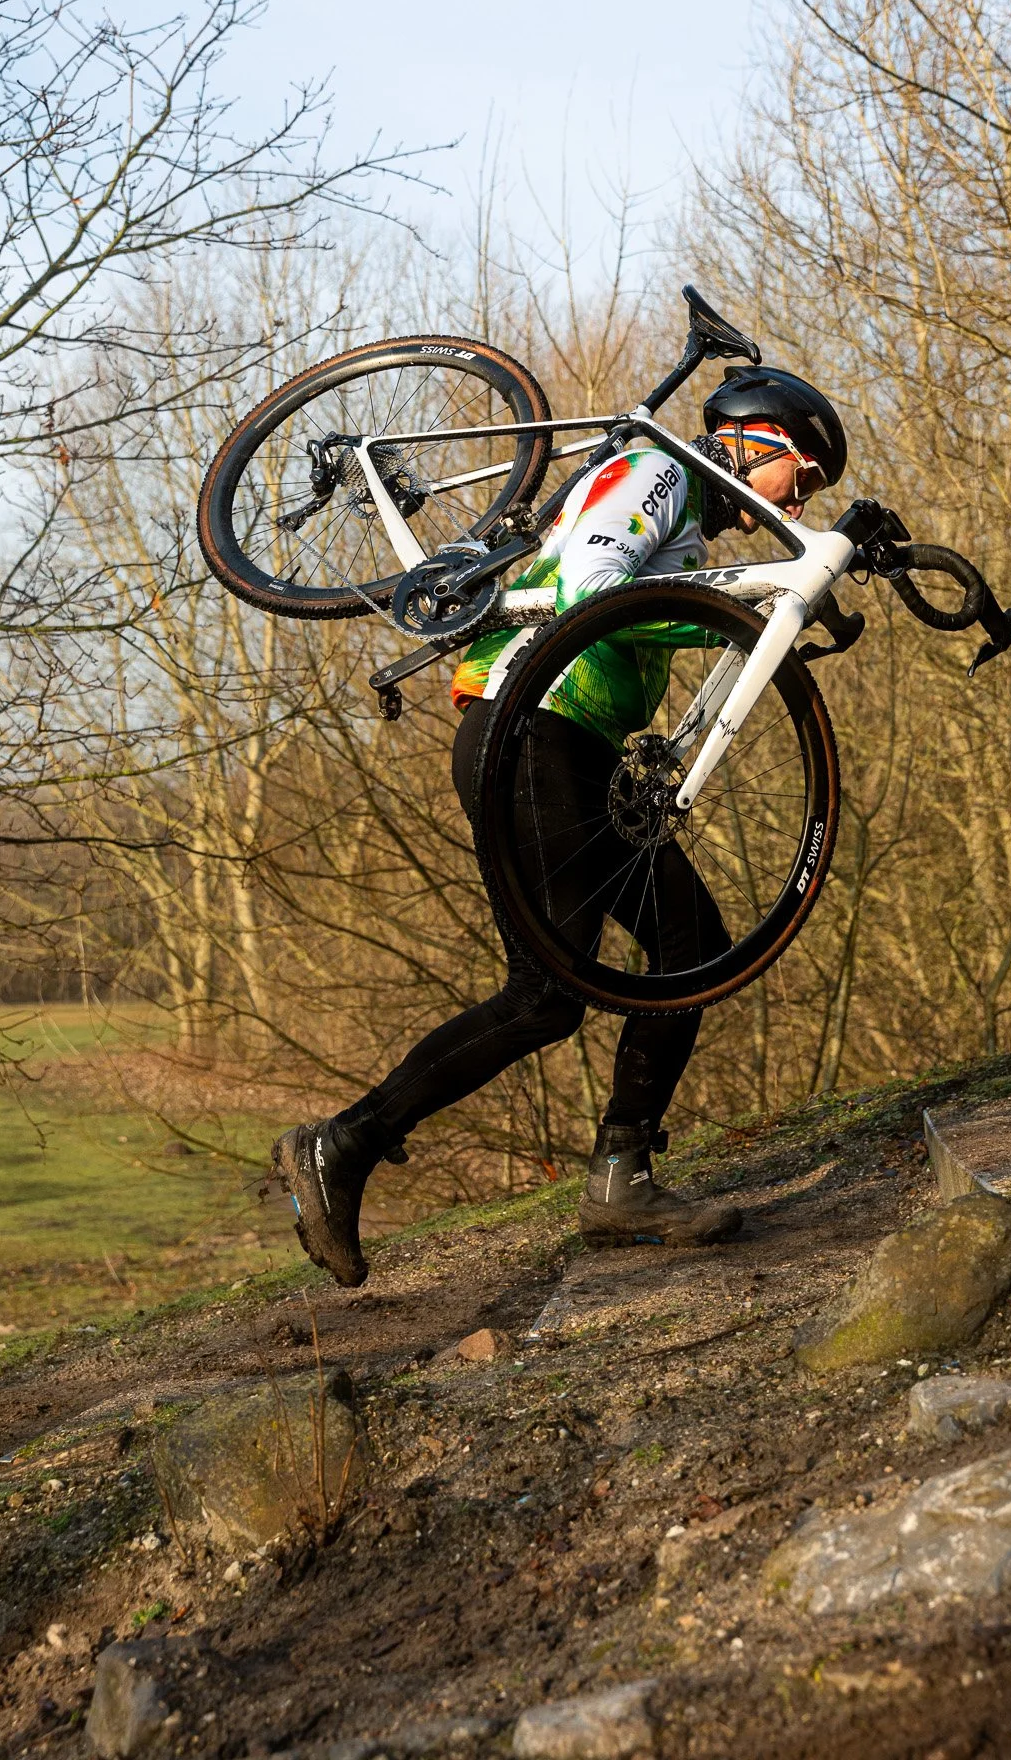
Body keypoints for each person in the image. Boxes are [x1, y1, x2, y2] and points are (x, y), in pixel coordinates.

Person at [270, 365, 848, 1288]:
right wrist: (723, 614)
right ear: (756, 442)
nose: (801, 497)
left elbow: (639, 609)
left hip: (562, 745)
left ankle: (618, 1180)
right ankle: (346, 1144)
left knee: (673, 950)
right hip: (530, 729)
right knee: (554, 992)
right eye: (805, 476)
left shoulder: (686, 513)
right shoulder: (658, 473)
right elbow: (591, 590)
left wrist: (739, 616)